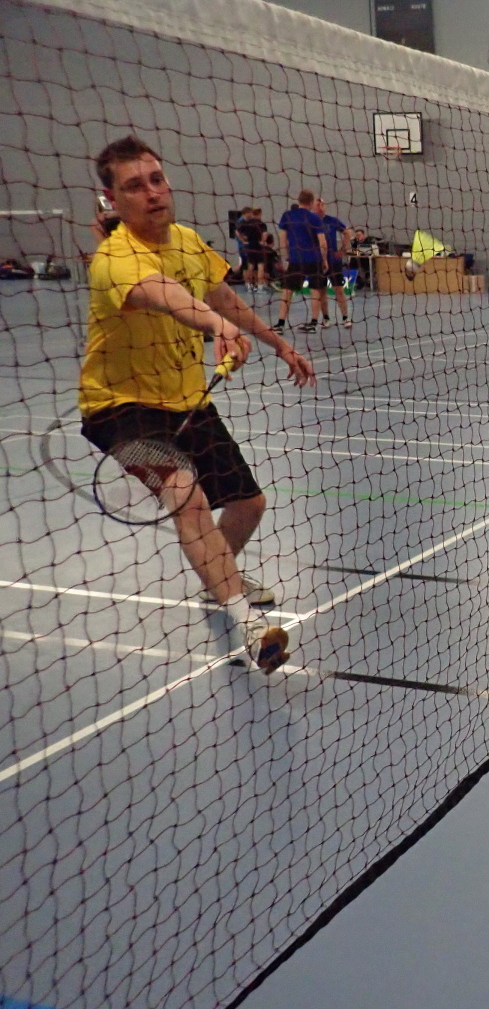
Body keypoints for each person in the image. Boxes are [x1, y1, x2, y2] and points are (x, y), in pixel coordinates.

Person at [81, 136, 315, 671]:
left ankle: (219, 580)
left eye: (156, 179)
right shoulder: (115, 259)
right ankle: (249, 625)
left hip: (187, 401)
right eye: (134, 186)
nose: (152, 192)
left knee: (250, 505)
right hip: (121, 407)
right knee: (185, 495)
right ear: (113, 200)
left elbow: (222, 296)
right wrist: (216, 327)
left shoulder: (187, 241)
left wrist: (279, 344)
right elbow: (170, 296)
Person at [274, 189, 328, 333]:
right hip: (313, 259)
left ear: (299, 200)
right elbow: (322, 242)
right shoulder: (315, 218)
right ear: (311, 202)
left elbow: (282, 240)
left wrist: (286, 258)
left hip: (295, 259)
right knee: (315, 290)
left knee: (287, 291)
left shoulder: (287, 216)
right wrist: (324, 260)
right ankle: (313, 323)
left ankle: (280, 324)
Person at [313, 197, 353, 328]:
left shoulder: (332, 221)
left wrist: (342, 250)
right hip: (318, 261)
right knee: (321, 291)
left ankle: (345, 318)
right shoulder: (311, 222)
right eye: (317, 205)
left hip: (333, 260)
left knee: (339, 290)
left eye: (322, 205)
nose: (320, 207)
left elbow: (347, 233)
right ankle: (326, 319)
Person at [235, 206, 270, 292]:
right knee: (260, 266)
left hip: (250, 246)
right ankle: (260, 287)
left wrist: (243, 240)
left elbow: (237, 231)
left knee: (250, 266)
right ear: (259, 214)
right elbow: (265, 234)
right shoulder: (262, 224)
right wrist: (262, 241)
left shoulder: (247, 223)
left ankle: (249, 285)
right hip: (259, 247)